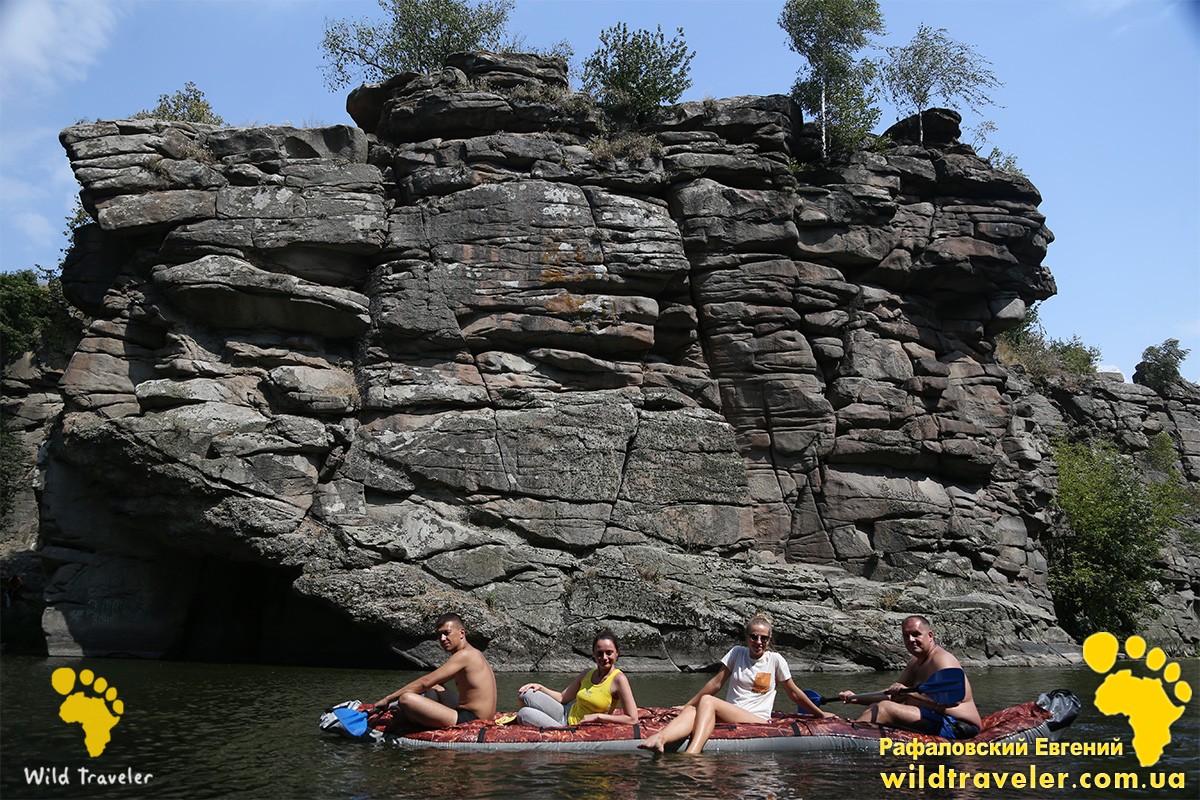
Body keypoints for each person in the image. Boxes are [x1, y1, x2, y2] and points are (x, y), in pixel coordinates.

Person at [638, 613, 827, 753]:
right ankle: (661, 738)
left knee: (708, 701)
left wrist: (819, 714)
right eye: (754, 636)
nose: (758, 641)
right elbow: (716, 683)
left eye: (763, 638)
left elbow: (794, 692)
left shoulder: (775, 660)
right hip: (731, 713)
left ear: (769, 640)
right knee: (692, 711)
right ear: (747, 637)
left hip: (757, 718)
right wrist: (687, 705)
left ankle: (692, 753)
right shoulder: (737, 653)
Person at [838, 614, 982, 739]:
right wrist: (855, 698)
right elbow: (892, 695)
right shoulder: (914, 662)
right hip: (934, 718)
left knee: (884, 709)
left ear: (930, 636)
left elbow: (952, 701)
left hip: (959, 725)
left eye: (916, 634)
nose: (911, 639)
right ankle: (849, 731)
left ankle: (846, 736)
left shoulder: (942, 660)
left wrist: (910, 694)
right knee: (875, 707)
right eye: (906, 636)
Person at [373, 612, 497, 729]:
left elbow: (425, 682)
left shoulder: (464, 655)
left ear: (462, 633)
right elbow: (433, 683)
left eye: (446, 633)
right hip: (478, 714)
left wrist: (388, 699)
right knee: (435, 687)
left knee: (406, 699)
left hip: (471, 719)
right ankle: (423, 715)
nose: (442, 639)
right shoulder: (474, 653)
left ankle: (418, 719)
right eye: (439, 635)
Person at [516, 629, 640, 727]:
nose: (604, 657)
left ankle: (550, 727)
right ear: (593, 654)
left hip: (572, 726)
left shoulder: (619, 679)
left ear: (617, 653)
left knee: (524, 713)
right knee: (525, 694)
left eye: (609, 652)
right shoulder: (587, 673)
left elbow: (632, 718)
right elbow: (562, 698)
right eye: (599, 653)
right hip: (565, 712)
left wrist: (598, 717)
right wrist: (540, 687)